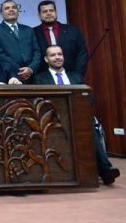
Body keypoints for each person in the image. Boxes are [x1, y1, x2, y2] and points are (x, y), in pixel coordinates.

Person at [34, 45, 120, 185]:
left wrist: (80, 110)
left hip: (77, 116)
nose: (57, 57)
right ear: (46, 59)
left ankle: (106, 169)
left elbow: (88, 98)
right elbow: (40, 102)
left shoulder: (76, 76)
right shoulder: (40, 78)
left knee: (89, 124)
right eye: (53, 55)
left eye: (59, 54)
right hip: (53, 119)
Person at [0, 0, 40, 83]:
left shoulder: (28, 30)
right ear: (1, 13)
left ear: (18, 11)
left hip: (32, 76)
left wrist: (30, 69)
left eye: (14, 7)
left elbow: (36, 52)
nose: (11, 10)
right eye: (7, 8)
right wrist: (20, 70)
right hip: (9, 76)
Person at [33, 0, 88, 75]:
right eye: (45, 11)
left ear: (56, 13)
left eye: (51, 10)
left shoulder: (73, 31)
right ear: (39, 15)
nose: (48, 13)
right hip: (42, 78)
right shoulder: (33, 33)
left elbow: (82, 53)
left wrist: (78, 75)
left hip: (71, 76)